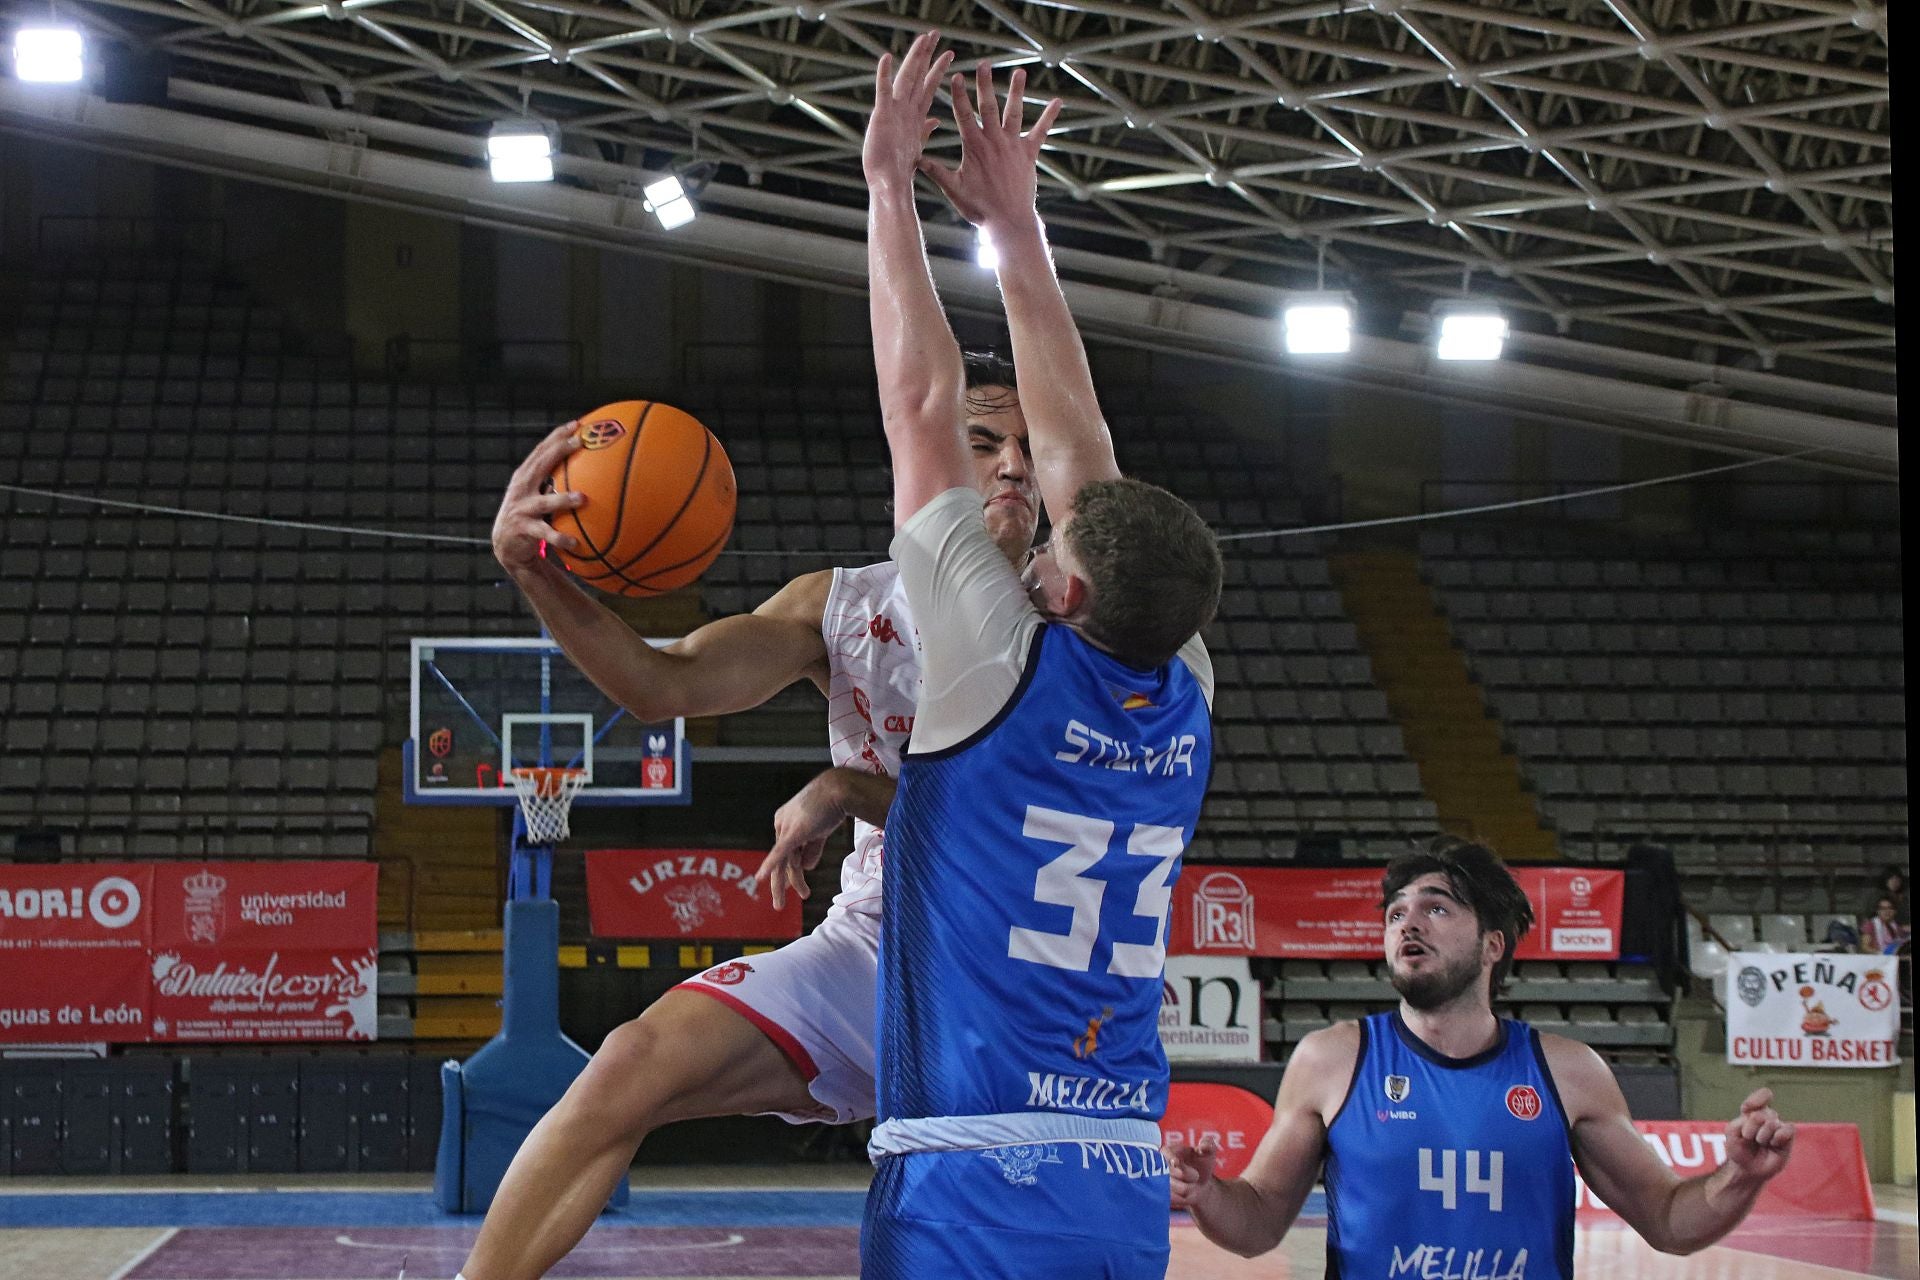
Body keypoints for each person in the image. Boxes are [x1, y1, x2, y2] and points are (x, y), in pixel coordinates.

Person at [453, 355, 1040, 1280]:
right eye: (983, 443)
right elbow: (664, 683)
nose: (1013, 466)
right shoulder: (845, 607)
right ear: (930, 461)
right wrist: (536, 574)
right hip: (880, 947)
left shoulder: (1082, 624)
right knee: (627, 1063)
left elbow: (1021, 823)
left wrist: (848, 790)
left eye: (1031, 450)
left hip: (1028, 971)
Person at [859, 35, 1221, 1278]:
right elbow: (1087, 461)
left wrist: (891, 187)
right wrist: (1016, 226)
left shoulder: (990, 667)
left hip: (966, 1171)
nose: (1041, 489)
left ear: (1063, 589)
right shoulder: (1187, 689)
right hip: (1120, 1175)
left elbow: (923, 407)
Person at [1166, 837, 1798, 1273]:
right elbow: (1257, 1225)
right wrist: (1206, 1193)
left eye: (1436, 908)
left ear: (1493, 944)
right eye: (1396, 913)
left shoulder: (1569, 1071)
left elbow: (1668, 1219)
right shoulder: (1330, 1060)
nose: (1408, 924)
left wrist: (1738, 1176)